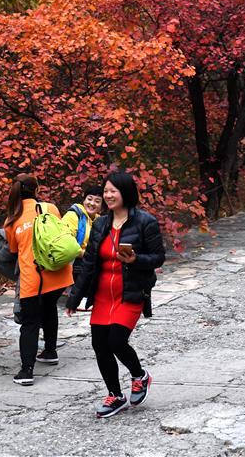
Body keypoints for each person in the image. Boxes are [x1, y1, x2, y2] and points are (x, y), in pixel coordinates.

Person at [65, 171, 164, 418]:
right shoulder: (100, 224)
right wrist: (75, 297)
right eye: (105, 191)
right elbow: (89, 264)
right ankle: (115, 396)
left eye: (112, 191)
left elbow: (158, 257)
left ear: (126, 193)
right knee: (99, 345)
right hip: (102, 295)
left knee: (116, 341)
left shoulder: (145, 222)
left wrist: (136, 259)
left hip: (130, 292)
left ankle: (140, 375)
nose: (107, 196)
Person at [4, 174, 72, 385]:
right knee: (50, 308)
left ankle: (26, 372)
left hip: (33, 277)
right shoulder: (50, 208)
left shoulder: (11, 220)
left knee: (30, 323)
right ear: (37, 189)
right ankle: (50, 351)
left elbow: (14, 250)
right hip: (59, 273)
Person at [62, 185, 104, 293]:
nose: (92, 203)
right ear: (84, 200)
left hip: (90, 262)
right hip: (75, 263)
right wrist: (86, 254)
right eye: (89, 199)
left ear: (102, 206)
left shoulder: (100, 221)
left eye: (97, 201)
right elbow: (66, 244)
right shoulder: (73, 216)